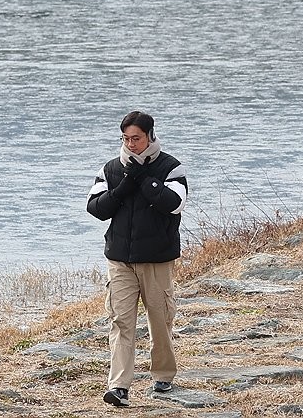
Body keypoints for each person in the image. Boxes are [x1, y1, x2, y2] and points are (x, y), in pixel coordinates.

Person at [86, 111, 188, 408]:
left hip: (156, 260)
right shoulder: (111, 169)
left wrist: (146, 181)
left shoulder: (171, 167)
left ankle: (163, 374)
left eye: (137, 138)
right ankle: (119, 386)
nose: (131, 144)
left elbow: (174, 204)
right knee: (121, 321)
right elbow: (96, 209)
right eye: (126, 139)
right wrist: (124, 187)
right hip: (119, 259)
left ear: (150, 136)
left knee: (160, 319)